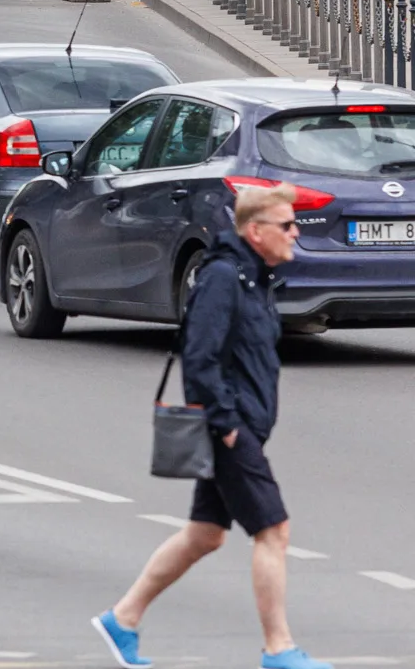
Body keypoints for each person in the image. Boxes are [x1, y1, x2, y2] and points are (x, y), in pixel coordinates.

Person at [93, 184, 329, 669]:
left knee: (206, 534)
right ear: (256, 231)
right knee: (274, 530)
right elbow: (199, 357)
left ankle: (124, 618)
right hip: (231, 425)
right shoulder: (223, 277)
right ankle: (278, 649)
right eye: (287, 225)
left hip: (245, 424)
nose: (295, 232)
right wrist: (227, 426)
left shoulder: (253, 276)